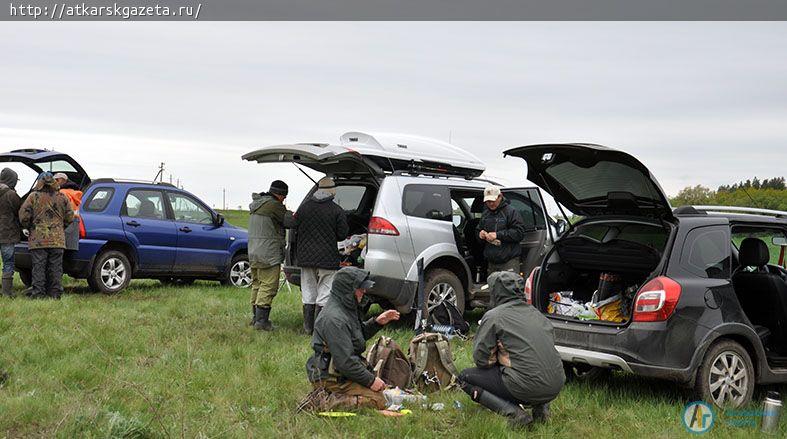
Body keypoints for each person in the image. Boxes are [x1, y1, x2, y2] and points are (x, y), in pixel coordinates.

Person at [458, 271, 565, 428]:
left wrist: (499, 360)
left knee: (465, 377)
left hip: (527, 385)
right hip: (556, 383)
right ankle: (541, 409)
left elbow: (482, 359)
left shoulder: (495, 316)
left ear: (496, 292)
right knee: (533, 366)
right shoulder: (537, 314)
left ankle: (515, 415)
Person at [303, 266, 400, 411]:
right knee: (379, 401)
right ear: (348, 289)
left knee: (386, 394)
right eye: (360, 288)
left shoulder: (345, 307)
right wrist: (371, 381)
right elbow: (345, 362)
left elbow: (355, 338)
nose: (364, 291)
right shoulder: (334, 319)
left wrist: (377, 322)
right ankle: (322, 402)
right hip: (331, 377)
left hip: (340, 372)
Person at [294, 177, 349, 335]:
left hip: (305, 258)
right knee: (324, 294)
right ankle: (319, 329)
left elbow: (294, 224)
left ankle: (307, 328)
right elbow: (342, 234)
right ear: (332, 191)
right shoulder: (336, 210)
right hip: (327, 259)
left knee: (308, 292)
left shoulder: (304, 208)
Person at [18, 172, 74, 299]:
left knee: (38, 267)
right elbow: (70, 216)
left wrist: (27, 227)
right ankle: (55, 293)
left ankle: (38, 293)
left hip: (38, 239)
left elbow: (24, 215)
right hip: (57, 240)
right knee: (56, 267)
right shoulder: (62, 197)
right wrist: (61, 227)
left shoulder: (33, 197)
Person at [248, 180, 293, 331]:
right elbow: (290, 221)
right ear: (280, 195)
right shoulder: (274, 205)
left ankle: (255, 318)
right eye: (284, 196)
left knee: (257, 284)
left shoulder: (258, 204)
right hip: (268, 253)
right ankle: (262, 322)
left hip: (254, 251)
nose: (284, 200)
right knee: (268, 285)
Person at [476, 186, 526, 273]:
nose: (490, 204)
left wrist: (498, 235)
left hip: (509, 261)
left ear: (500, 196)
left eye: (493, 200)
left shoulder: (511, 212)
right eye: (488, 201)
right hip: (491, 262)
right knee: (493, 286)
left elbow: (519, 233)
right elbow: (478, 230)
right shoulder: (485, 214)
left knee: (510, 286)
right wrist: (480, 235)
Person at [0, 168, 22, 297]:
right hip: (7, 234)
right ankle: (7, 293)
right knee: (8, 263)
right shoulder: (11, 195)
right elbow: (19, 212)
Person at [54, 173, 82, 252]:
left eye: (55, 180)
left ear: (60, 180)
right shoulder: (74, 193)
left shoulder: (61, 193)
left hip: (63, 229)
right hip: (73, 229)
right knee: (70, 257)